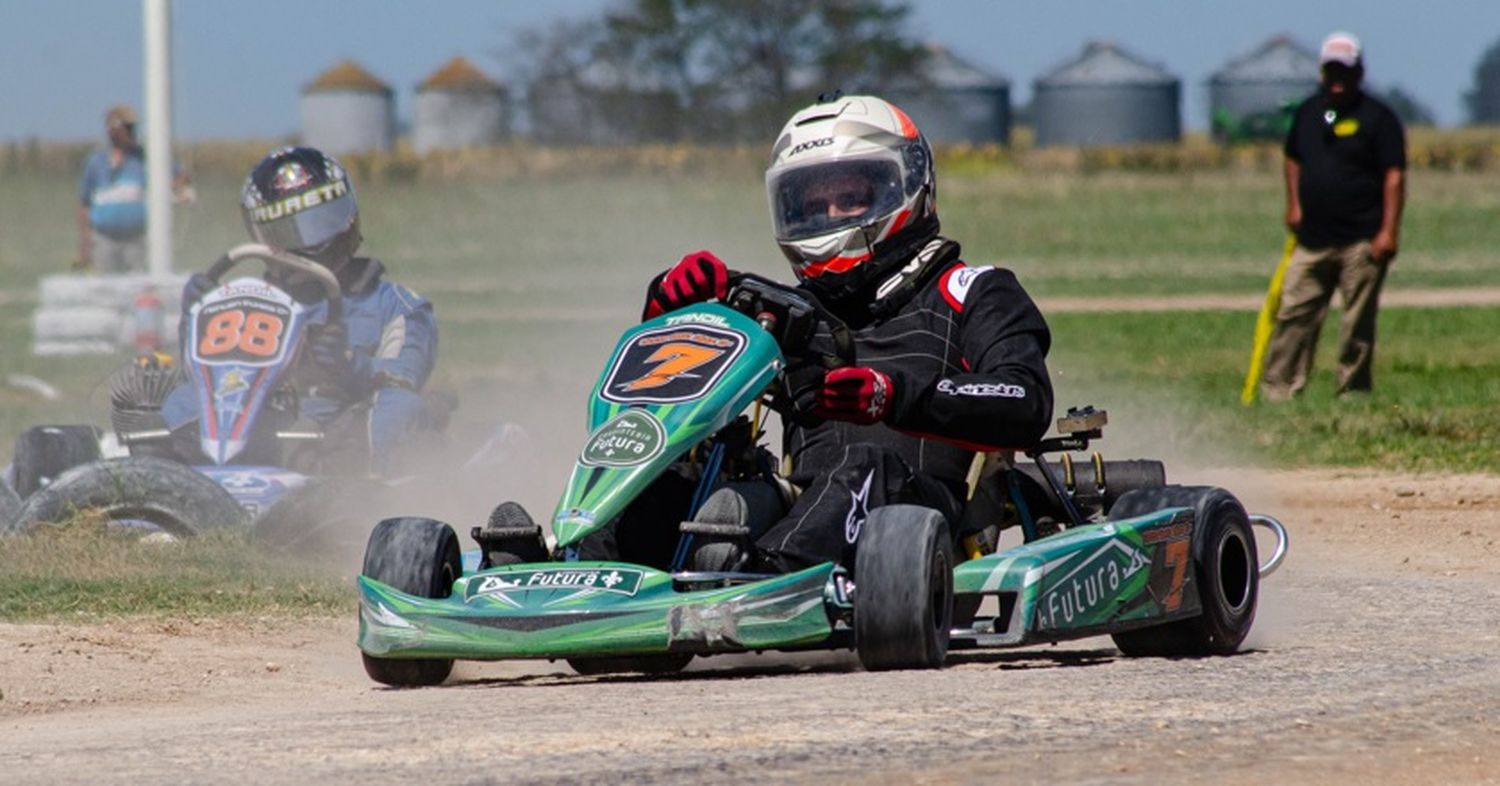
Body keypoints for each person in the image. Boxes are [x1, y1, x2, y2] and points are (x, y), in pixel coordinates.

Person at [585, 94, 1054, 574]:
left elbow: (1024, 398)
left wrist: (891, 396)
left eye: (851, 198)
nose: (831, 216)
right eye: (812, 205)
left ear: (908, 185)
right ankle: (585, 572)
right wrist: (668, 304)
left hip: (918, 524)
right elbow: (673, 391)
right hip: (798, 510)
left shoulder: (973, 290)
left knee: (867, 464)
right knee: (684, 471)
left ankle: (763, 582)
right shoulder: (785, 314)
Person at [158, 146, 438, 476]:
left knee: (399, 406)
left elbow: (402, 381)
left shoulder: (398, 307)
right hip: (258, 427)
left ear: (347, 217)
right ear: (261, 235)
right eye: (290, 232)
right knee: (180, 398)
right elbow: (206, 378)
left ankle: (374, 504)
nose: (312, 245)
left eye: (322, 222)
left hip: (338, 441)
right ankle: (168, 486)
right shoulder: (245, 302)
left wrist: (350, 364)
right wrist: (195, 320)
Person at [1262, 32, 1407, 400]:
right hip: (1312, 238)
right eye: (1331, 70)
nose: (1337, 78)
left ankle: (1352, 391)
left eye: (1344, 70)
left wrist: (1388, 231)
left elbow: (1394, 175)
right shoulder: (1310, 113)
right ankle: (1279, 389)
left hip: (1361, 238)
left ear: (1359, 71)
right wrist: (1293, 203)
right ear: (1322, 72)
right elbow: (1292, 158)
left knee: (1356, 322)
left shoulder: (1378, 118)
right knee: (1293, 315)